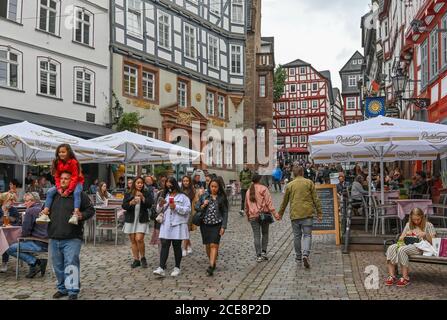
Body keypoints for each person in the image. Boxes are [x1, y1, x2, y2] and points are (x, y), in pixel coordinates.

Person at [47, 171, 94, 300]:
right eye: (61, 178)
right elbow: (45, 210)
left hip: (72, 236)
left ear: (72, 180)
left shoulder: (79, 195)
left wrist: (82, 215)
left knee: (71, 263)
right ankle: (62, 288)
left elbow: (91, 210)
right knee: (57, 265)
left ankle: (72, 290)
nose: (63, 181)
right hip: (54, 235)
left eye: (66, 179)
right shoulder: (53, 194)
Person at [277, 165, 323, 269]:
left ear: (293, 173)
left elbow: (285, 201)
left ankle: (298, 257)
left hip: (295, 214)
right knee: (307, 235)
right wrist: (319, 213)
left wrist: (280, 213)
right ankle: (305, 254)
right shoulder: (309, 183)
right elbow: (316, 199)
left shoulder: (290, 185)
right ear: (302, 172)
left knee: (297, 236)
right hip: (307, 213)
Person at [385, 208, 436, 287]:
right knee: (391, 247)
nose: (416, 221)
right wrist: (406, 234)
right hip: (407, 244)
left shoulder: (428, 225)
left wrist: (425, 234)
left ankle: (405, 278)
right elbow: (400, 239)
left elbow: (434, 242)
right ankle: (392, 276)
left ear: (422, 217)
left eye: (418, 219)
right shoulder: (408, 225)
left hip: (421, 247)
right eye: (414, 220)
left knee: (402, 250)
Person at [37, 144, 85, 225]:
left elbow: (74, 177)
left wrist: (68, 190)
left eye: (63, 152)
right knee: (50, 192)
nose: (61, 154)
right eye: (59, 152)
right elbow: (57, 176)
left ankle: (75, 214)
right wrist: (59, 188)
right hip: (63, 182)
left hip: (77, 182)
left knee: (77, 193)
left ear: (68, 152)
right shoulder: (58, 162)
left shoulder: (73, 162)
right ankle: (45, 213)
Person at [153, 177, 191, 278]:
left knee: (176, 245)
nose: (169, 186)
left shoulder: (183, 197)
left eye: (171, 184)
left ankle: (177, 267)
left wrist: (176, 207)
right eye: (167, 184)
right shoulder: (164, 195)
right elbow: (158, 210)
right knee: (164, 244)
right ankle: (161, 267)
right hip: (166, 223)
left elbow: (188, 210)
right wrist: (160, 205)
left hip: (178, 224)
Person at [6, 192, 48, 278]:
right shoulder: (44, 208)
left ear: (33, 201)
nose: (24, 203)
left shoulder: (30, 211)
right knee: (20, 244)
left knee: (9, 248)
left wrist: (18, 235)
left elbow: (25, 231)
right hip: (47, 242)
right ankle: (36, 264)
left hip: (38, 243)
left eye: (26, 201)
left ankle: (35, 262)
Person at [195, 178, 229, 276]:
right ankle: (212, 261)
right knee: (207, 245)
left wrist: (223, 226)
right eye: (212, 186)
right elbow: (196, 207)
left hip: (217, 224)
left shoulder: (221, 197)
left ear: (219, 187)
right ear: (209, 186)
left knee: (214, 245)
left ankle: (210, 266)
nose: (213, 188)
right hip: (205, 224)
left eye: (215, 187)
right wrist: (202, 205)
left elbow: (225, 213)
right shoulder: (204, 196)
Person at [122, 177, 154, 269]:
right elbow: (124, 205)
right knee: (133, 240)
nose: (140, 184)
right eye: (138, 183)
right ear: (134, 184)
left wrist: (143, 197)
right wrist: (131, 203)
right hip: (131, 219)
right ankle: (136, 260)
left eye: (141, 183)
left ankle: (143, 257)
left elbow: (150, 204)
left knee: (139, 239)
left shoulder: (146, 193)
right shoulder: (128, 193)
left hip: (142, 218)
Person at [245, 175, 277, 262]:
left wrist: (248, 216)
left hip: (252, 216)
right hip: (264, 215)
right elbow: (269, 203)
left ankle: (258, 255)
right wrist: (275, 214)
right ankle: (263, 252)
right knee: (265, 233)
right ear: (260, 179)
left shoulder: (248, 191)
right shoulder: (263, 188)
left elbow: (246, 206)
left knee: (256, 235)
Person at [0, 192, 20, 273]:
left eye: (12, 200)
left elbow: (17, 222)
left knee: (5, 240)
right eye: (9, 200)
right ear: (4, 200)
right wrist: (4, 214)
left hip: (10, 234)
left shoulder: (14, 210)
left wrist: (7, 216)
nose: (12, 202)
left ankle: (4, 262)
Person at [150, 176, 167, 253]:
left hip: (169, 220)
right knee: (160, 241)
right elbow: (154, 207)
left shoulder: (173, 193)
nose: (164, 183)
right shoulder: (159, 193)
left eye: (166, 181)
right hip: (159, 220)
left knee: (167, 241)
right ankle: (162, 260)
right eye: (162, 181)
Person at [180, 175, 196, 257]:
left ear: (190, 182)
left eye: (187, 181)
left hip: (189, 213)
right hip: (181, 213)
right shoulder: (180, 190)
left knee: (186, 231)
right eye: (184, 181)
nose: (186, 182)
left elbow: (194, 202)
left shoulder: (192, 190)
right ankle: (189, 245)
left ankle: (184, 248)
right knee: (184, 231)